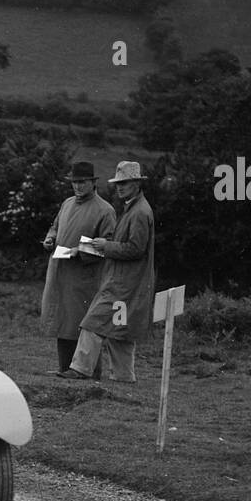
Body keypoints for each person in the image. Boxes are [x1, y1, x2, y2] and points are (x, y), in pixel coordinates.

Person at [61, 160, 155, 382]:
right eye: (118, 183)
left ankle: (80, 369)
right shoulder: (134, 207)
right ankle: (124, 377)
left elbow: (135, 249)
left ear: (137, 184)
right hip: (128, 282)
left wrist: (105, 246)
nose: (119, 187)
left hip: (123, 283)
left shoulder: (139, 212)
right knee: (120, 330)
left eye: (125, 183)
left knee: (93, 322)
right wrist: (88, 247)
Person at [38, 160, 117, 373]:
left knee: (84, 326)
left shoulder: (105, 210)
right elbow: (54, 227)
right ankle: (65, 369)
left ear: (93, 183)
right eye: (74, 182)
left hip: (84, 278)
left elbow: (106, 245)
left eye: (82, 182)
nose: (78, 187)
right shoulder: (67, 203)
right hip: (59, 273)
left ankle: (90, 372)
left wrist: (78, 250)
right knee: (62, 324)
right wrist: (50, 239)